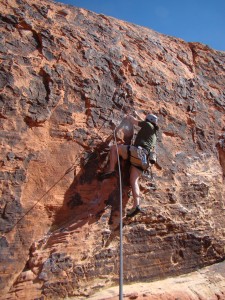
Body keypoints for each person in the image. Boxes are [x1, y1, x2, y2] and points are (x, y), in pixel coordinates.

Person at [101, 113, 159, 217]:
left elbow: (134, 121)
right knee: (134, 181)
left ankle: (111, 170)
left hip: (137, 152)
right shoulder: (154, 133)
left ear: (148, 120)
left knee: (114, 148)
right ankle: (136, 205)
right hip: (143, 161)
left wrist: (128, 117)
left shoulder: (147, 125)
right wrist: (137, 114)